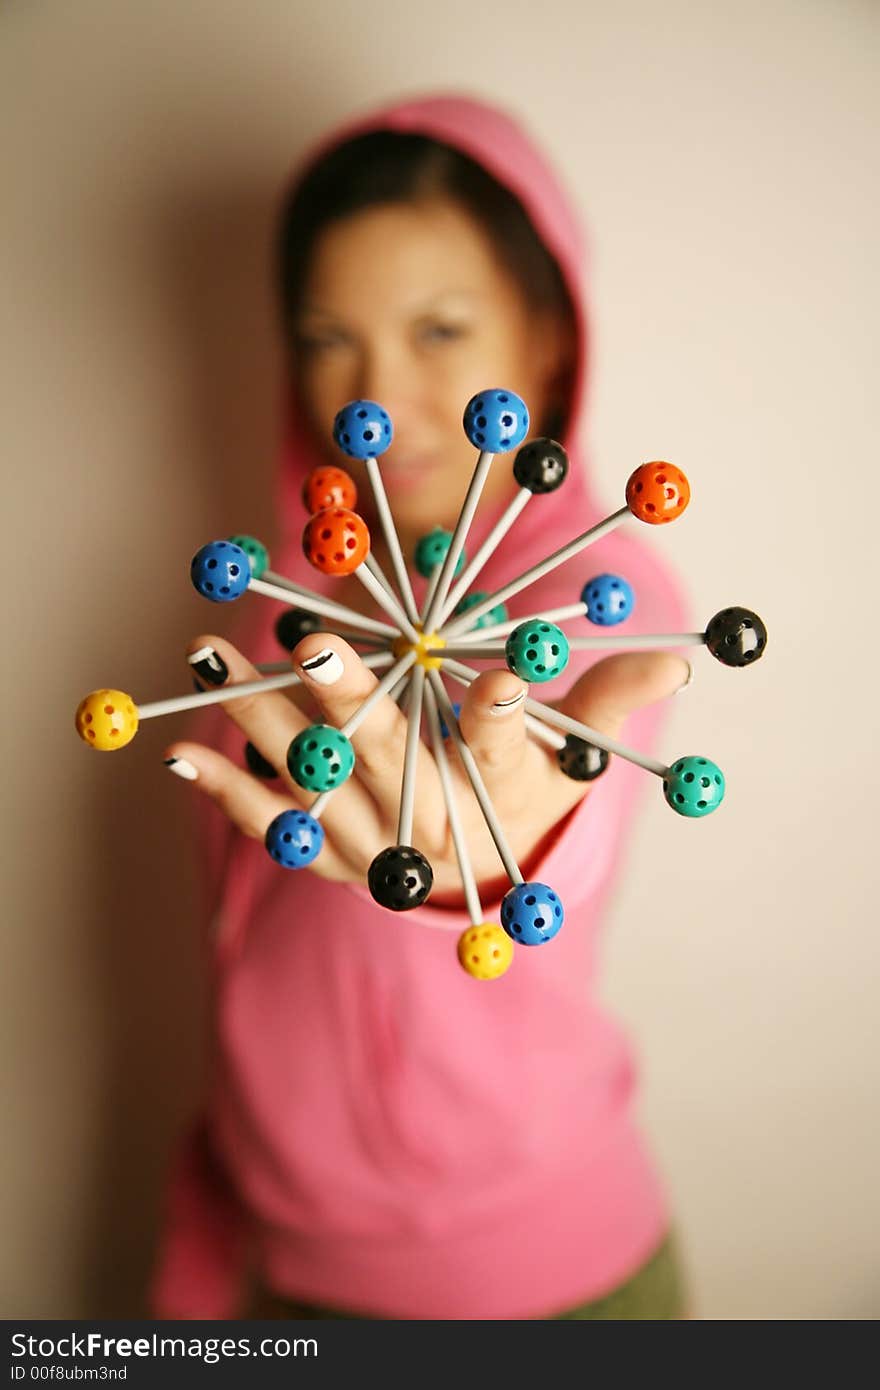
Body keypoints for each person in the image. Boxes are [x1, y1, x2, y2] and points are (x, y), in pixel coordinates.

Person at [149, 92, 694, 1320]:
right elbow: (255, 965)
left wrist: (470, 859)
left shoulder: (594, 590)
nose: (375, 391)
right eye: (327, 336)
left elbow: (558, 747)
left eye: (439, 328)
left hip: (536, 1287)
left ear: (548, 340)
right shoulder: (289, 597)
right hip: (280, 1269)